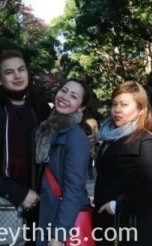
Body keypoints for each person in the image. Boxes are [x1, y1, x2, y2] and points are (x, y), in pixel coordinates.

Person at [0, 50, 52, 244]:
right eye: (9, 72)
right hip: (2, 204)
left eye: (21, 69)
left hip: (39, 205)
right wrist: (18, 193)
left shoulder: (41, 109)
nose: (17, 76)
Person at [93, 81, 152, 246]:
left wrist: (117, 205)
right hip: (105, 227)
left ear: (140, 109)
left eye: (124, 105)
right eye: (114, 104)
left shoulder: (146, 141)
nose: (117, 109)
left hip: (132, 228)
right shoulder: (110, 138)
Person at [35, 79, 92, 246]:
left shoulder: (75, 136)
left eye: (73, 96)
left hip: (59, 220)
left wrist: (59, 235)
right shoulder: (50, 128)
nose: (65, 97)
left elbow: (74, 188)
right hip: (46, 213)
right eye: (64, 91)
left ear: (81, 107)